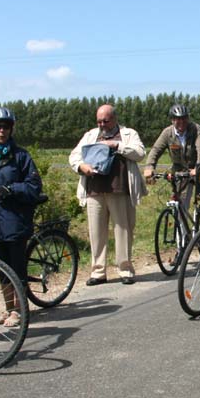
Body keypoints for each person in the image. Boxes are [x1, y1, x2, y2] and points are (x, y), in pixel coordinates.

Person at [0, 107, 43, 328]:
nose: (1, 131)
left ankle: (20, 310)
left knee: (16, 266)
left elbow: (33, 187)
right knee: (2, 267)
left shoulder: (21, 156)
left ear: (11, 129)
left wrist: (11, 189)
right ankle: (8, 307)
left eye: (5, 127)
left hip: (15, 219)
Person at [69, 104, 147, 286]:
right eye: (99, 121)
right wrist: (82, 167)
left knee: (123, 230)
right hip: (94, 190)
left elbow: (140, 153)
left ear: (115, 118)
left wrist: (117, 145)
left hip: (119, 189)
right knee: (96, 232)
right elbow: (74, 156)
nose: (102, 124)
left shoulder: (129, 134)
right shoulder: (90, 135)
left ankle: (125, 269)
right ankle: (98, 272)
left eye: (106, 120)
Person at [143, 103, 200, 214]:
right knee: (180, 207)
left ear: (188, 118)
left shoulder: (196, 129)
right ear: (172, 120)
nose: (181, 122)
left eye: (184, 118)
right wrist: (149, 167)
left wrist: (199, 167)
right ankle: (182, 230)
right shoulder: (167, 133)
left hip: (197, 168)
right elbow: (156, 150)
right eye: (178, 119)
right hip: (180, 171)